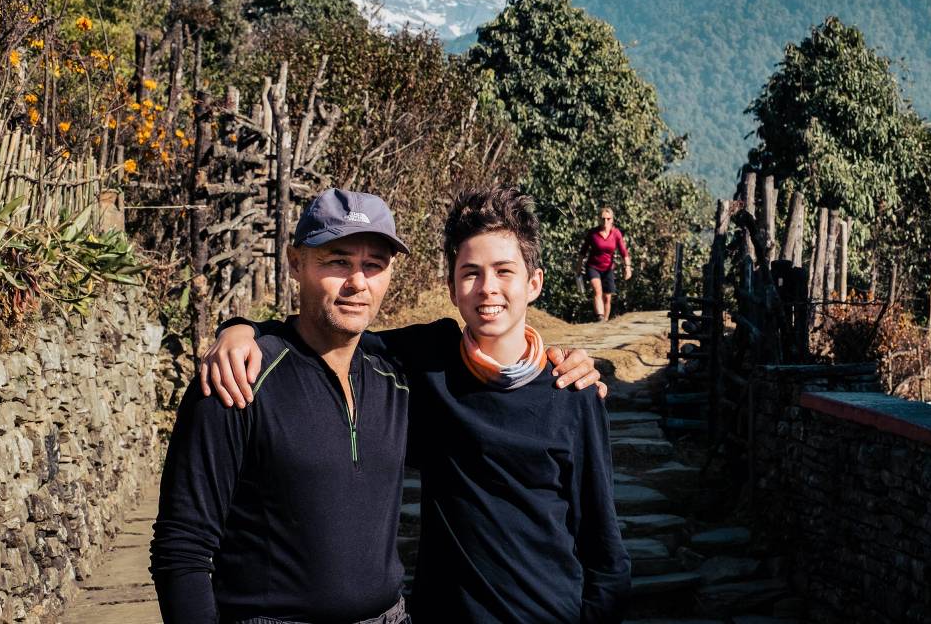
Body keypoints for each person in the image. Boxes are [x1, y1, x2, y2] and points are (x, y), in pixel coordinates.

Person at [150, 189, 605, 624]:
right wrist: (239, 329)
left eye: (373, 265)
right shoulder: (238, 379)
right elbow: (182, 547)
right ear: (295, 262)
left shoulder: (403, 373)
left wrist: (565, 370)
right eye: (337, 261)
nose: (357, 282)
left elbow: (499, 367)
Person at [404, 187, 628, 622]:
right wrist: (258, 336)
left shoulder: (572, 392)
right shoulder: (429, 366)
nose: (487, 288)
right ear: (451, 288)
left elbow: (602, 538)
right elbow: (333, 340)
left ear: (534, 283)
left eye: (504, 271)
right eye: (470, 273)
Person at [580, 207, 631, 322]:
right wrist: (578, 267)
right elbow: (583, 251)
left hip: (608, 269)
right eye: (603, 219)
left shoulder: (616, 233)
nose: (605, 221)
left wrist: (627, 267)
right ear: (599, 219)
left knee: (607, 297)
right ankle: (600, 317)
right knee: (597, 291)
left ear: (612, 220)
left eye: (608, 219)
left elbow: (624, 252)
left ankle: (605, 322)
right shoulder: (593, 233)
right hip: (593, 267)